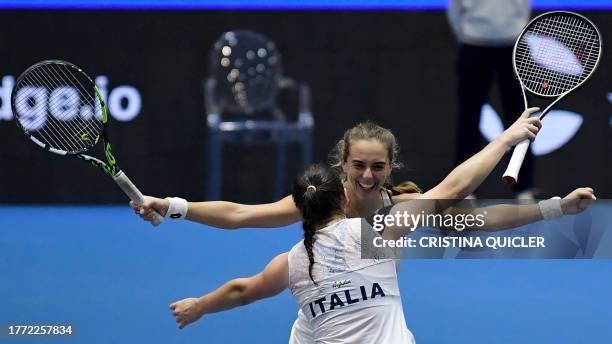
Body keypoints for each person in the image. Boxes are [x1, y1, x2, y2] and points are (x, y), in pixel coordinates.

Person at [166, 163, 594, 342]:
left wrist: (200, 306)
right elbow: (457, 191)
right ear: (344, 190)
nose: (365, 177)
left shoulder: (293, 260)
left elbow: (243, 289)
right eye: (355, 171)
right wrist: (511, 138)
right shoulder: (382, 233)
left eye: (374, 169)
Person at [447, 0, 535, 199]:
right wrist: (467, 33)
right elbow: (454, 8)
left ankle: (524, 188)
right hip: (473, 44)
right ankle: (466, 188)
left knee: (521, 117)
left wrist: (516, 29)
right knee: (468, 119)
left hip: (513, 44)